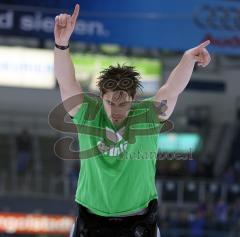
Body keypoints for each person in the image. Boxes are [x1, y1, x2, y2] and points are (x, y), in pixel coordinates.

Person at [54, 3, 211, 237]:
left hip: (139, 222)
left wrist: (188, 59)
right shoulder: (87, 114)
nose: (116, 110)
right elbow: (67, 83)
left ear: (134, 98)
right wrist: (61, 44)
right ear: (100, 98)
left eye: (123, 103)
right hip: (91, 221)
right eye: (110, 103)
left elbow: (171, 89)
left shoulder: (147, 116)